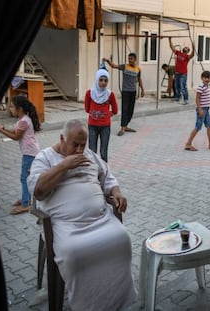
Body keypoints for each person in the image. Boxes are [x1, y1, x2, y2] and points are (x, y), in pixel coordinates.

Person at [27, 119, 137, 311]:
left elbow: (108, 177)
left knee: (122, 240)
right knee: (75, 253)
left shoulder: (90, 156)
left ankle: (116, 302)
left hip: (99, 220)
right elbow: (38, 191)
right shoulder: (45, 158)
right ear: (62, 138)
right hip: (66, 226)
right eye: (74, 145)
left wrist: (116, 192)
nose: (79, 150)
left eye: (82, 145)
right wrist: (63, 166)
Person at [0, 95, 41, 215]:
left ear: (19, 109)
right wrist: (3, 127)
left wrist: (1, 131)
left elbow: (16, 137)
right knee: (24, 177)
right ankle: (26, 198)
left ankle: (26, 204)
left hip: (30, 153)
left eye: (12, 107)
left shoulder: (24, 121)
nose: (10, 109)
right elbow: (15, 131)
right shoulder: (23, 119)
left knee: (25, 178)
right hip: (30, 152)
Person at [102, 53, 145, 136]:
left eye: (131, 59)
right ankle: (122, 127)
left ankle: (126, 126)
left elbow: (139, 79)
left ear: (135, 59)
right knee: (124, 109)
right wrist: (108, 61)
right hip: (126, 92)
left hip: (133, 92)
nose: (129, 60)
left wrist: (142, 90)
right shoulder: (125, 66)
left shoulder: (138, 69)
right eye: (129, 58)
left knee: (130, 110)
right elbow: (114, 66)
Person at [85, 68, 118, 162]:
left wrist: (106, 115)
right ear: (96, 80)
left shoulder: (110, 94)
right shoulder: (89, 93)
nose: (103, 82)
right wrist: (98, 114)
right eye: (101, 80)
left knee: (103, 152)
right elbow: (87, 109)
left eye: (105, 80)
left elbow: (115, 110)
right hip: (92, 126)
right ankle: (92, 171)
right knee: (92, 151)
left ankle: (104, 171)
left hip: (105, 127)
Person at [184, 70, 210, 151]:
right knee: (198, 127)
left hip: (207, 110)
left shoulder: (207, 86)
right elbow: (197, 99)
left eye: (209, 78)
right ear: (202, 78)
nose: (207, 79)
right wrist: (200, 109)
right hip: (202, 109)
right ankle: (188, 144)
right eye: (205, 78)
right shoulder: (201, 86)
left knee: (209, 125)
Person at [169, 37, 195, 105]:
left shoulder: (187, 57)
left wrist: (193, 47)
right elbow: (172, 47)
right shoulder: (178, 53)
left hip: (183, 74)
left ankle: (186, 99)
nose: (185, 48)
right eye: (185, 47)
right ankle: (177, 97)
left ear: (188, 51)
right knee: (176, 86)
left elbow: (193, 54)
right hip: (177, 73)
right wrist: (170, 40)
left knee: (183, 87)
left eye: (186, 48)